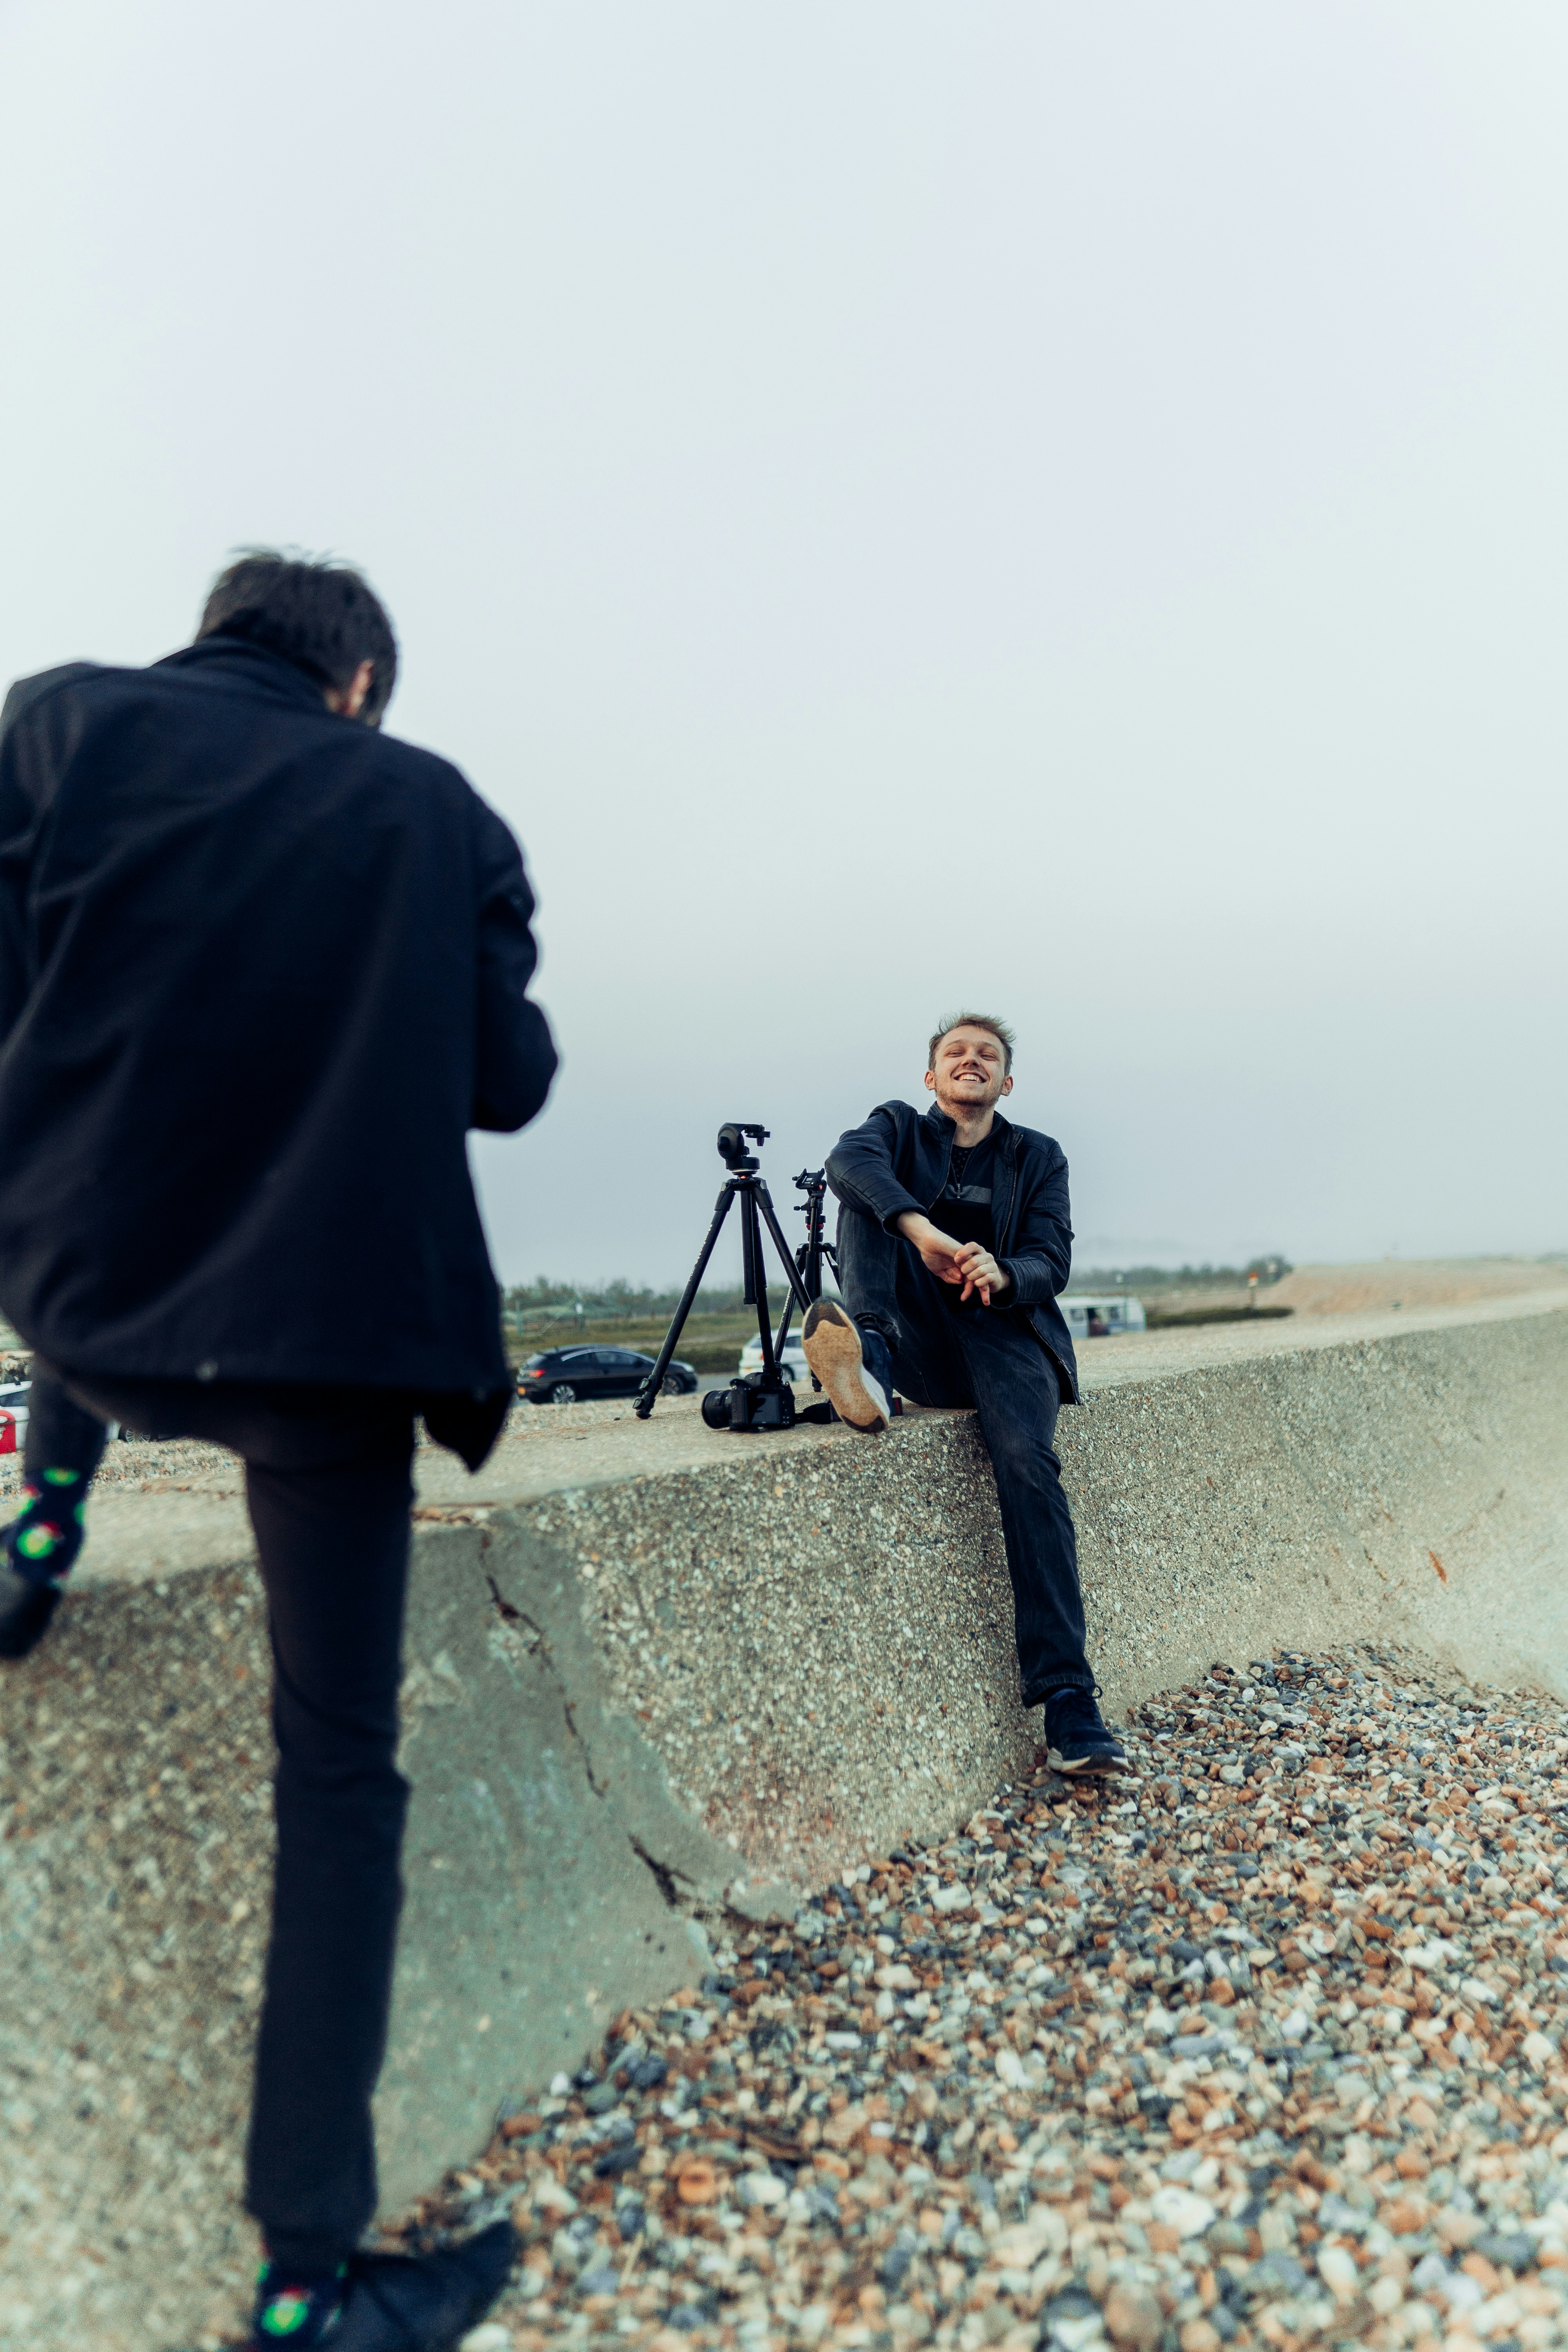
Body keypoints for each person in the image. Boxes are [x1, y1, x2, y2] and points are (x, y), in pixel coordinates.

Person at [0, 554, 556, 2350]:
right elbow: (508, 1079)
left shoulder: (57, 719)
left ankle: (32, 1544)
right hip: (327, 1344)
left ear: (222, 630)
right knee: (337, 1775)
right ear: (359, 680)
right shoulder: (434, 806)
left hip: (83, 1292)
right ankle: (305, 2282)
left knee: (115, 1198)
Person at [801, 1013, 1125, 1776]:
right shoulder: (893, 1129)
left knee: (1025, 1465)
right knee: (865, 1184)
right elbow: (844, 1162)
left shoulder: (1037, 1156)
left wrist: (1002, 1273)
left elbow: (1051, 1257)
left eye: (987, 1055)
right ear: (930, 1078)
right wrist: (923, 1233)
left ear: (1005, 1082)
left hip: (1003, 1335)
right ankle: (866, 1362)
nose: (969, 1060)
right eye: (955, 1052)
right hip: (909, 1332)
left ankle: (1069, 1703)